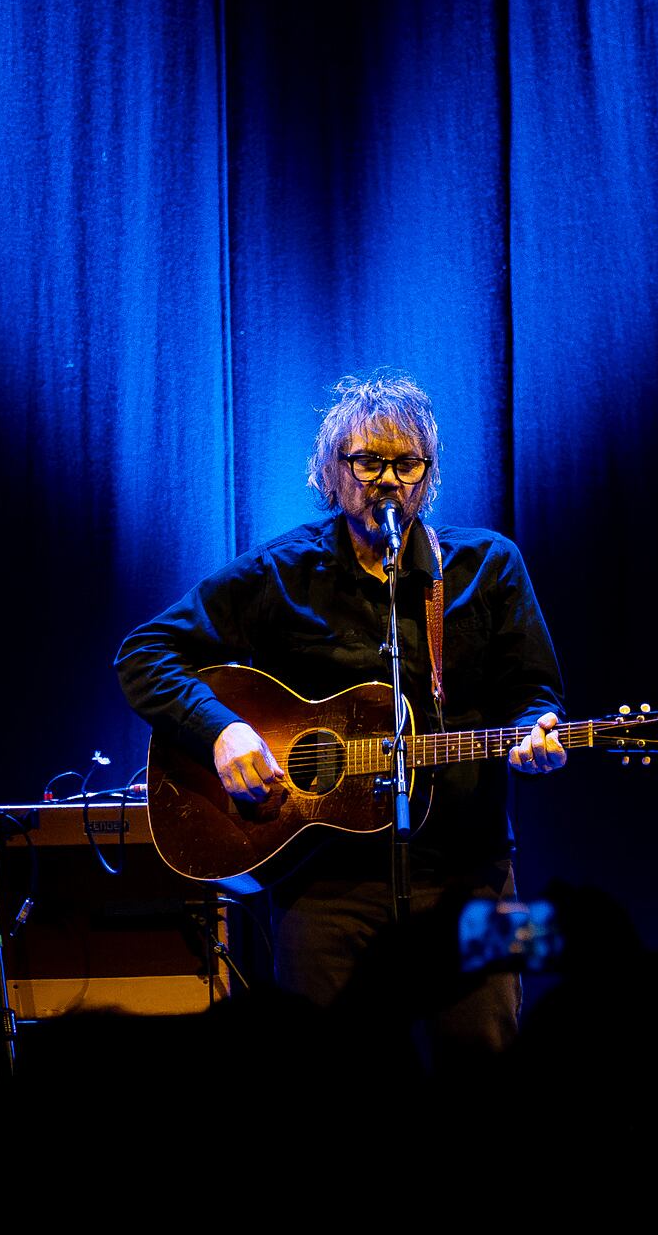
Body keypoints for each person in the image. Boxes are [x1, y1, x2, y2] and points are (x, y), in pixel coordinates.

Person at [116, 372, 567, 1050]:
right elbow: (143, 651)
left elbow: (538, 692)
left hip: (474, 875)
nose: (387, 479)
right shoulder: (283, 572)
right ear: (332, 470)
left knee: (491, 1068)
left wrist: (541, 730)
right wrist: (223, 729)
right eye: (367, 461)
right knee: (328, 1085)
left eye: (406, 463)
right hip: (323, 886)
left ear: (429, 474)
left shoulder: (491, 565)